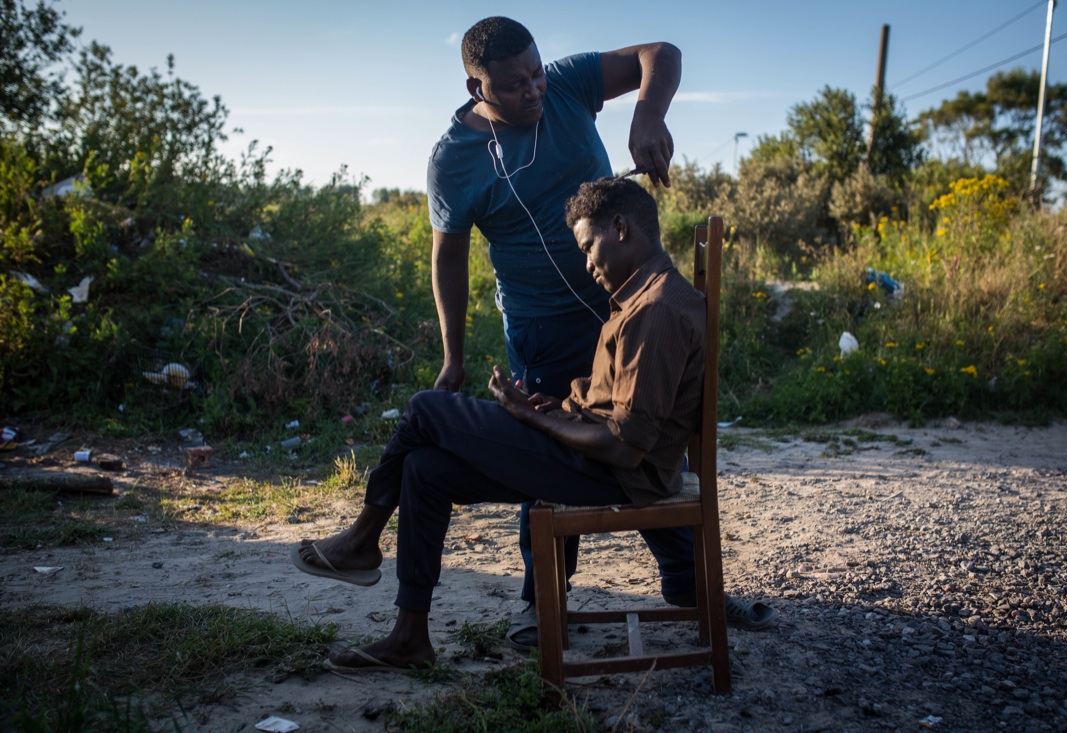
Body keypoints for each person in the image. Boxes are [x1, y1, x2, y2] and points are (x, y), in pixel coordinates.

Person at [296, 16, 776, 642]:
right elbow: (448, 255)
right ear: (478, 88)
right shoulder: (456, 160)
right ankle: (540, 602)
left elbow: (661, 51)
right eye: (514, 84)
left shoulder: (568, 84)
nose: (533, 90)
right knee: (544, 461)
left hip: (624, 309)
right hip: (541, 327)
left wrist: (647, 114)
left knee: (633, 435)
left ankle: (690, 584)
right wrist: (453, 354)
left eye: (535, 73)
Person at [296, 178, 711, 671]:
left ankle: (363, 540)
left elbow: (625, 446)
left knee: (427, 408)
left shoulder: (657, 310)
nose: (587, 264)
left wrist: (524, 418)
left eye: (587, 247)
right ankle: (409, 639)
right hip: (594, 458)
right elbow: (616, 407)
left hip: (611, 472)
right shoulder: (642, 299)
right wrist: (552, 407)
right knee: (425, 470)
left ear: (620, 228)